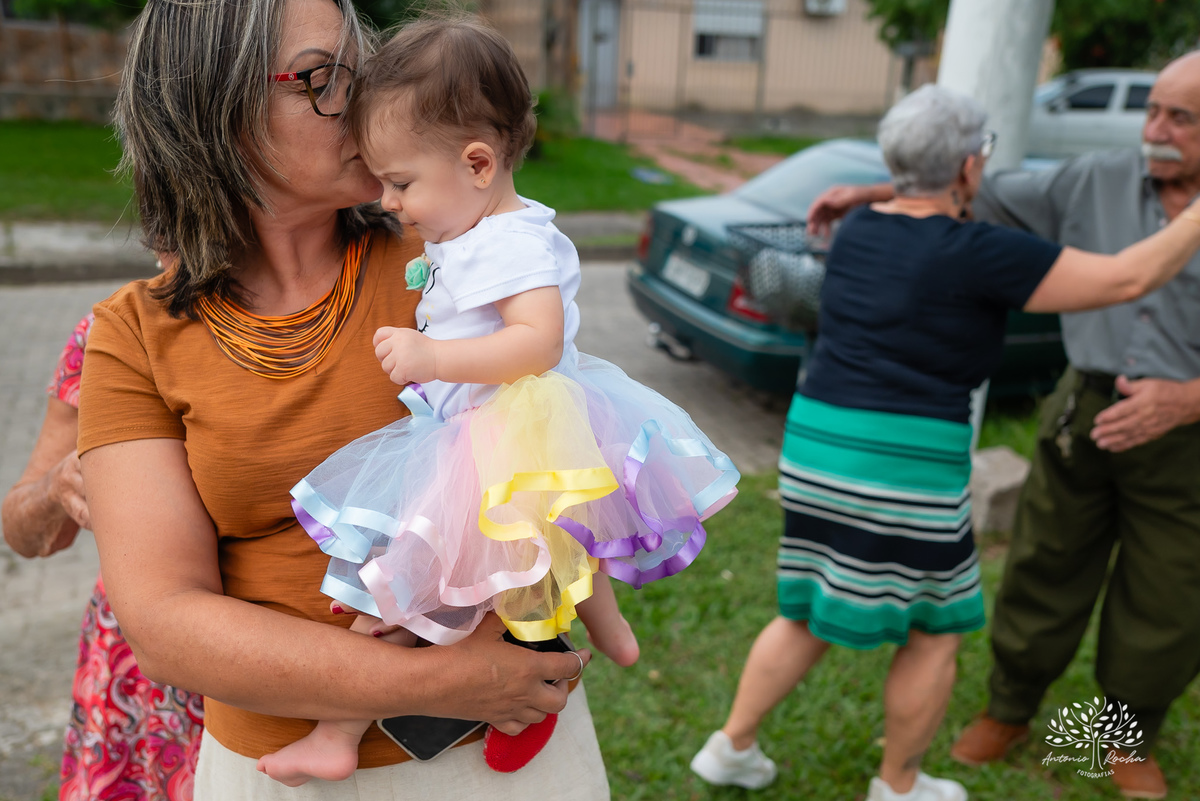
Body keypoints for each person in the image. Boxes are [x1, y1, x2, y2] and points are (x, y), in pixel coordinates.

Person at [78, 1, 611, 799]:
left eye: (364, 70)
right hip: (276, 775)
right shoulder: (134, 335)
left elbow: (554, 447)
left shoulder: (454, 256)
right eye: (326, 80)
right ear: (209, 105)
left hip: (508, 765)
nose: (365, 103)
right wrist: (439, 683)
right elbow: (166, 628)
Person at [258, 16, 738, 786]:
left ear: (477, 162)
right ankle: (608, 637)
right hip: (492, 427)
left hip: (506, 428)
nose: (387, 201)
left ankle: (337, 730)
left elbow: (537, 341)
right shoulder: (473, 227)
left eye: (402, 182)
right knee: (550, 546)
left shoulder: (510, 241)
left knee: (401, 580)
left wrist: (434, 355)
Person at [688, 84, 1200, 801]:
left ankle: (730, 747)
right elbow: (1130, 275)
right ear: (968, 167)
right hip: (905, 463)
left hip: (817, 444)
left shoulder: (862, 227)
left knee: (804, 604)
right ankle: (898, 785)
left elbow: (913, 196)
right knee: (932, 628)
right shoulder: (983, 253)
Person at [2, 314, 204, 800]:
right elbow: (24, 533)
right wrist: (56, 487)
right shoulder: (114, 329)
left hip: (282, 650)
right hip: (140, 663)